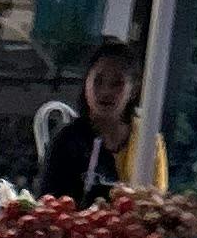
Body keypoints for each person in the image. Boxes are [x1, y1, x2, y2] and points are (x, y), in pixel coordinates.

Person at [33, 43, 158, 205]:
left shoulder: (147, 142)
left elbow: (155, 202)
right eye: (98, 81)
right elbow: (48, 206)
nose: (106, 91)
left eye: (117, 83)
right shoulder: (67, 141)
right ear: (86, 83)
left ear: (134, 90)